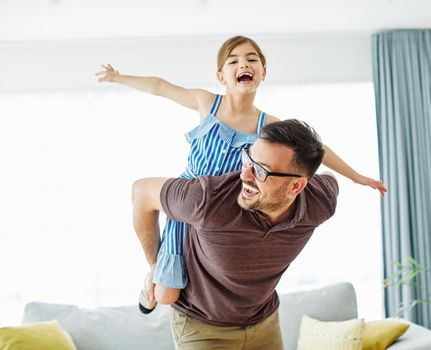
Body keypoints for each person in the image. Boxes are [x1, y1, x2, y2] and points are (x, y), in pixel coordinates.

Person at [95, 35, 387, 313]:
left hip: (220, 207)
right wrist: (119, 77)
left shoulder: (267, 124)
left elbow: (316, 149)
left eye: (251, 59)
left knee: (196, 276)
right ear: (222, 76)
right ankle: (152, 273)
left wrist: (356, 176)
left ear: (262, 72)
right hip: (190, 198)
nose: (243, 64)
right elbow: (159, 86)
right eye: (233, 61)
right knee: (165, 295)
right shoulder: (206, 102)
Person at [132, 119, 338, 349]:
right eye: (247, 159)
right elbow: (141, 192)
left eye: (260, 170)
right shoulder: (208, 199)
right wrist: (155, 266)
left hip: (265, 322)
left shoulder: (321, 202)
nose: (245, 175)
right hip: (203, 329)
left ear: (296, 187)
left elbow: (330, 180)